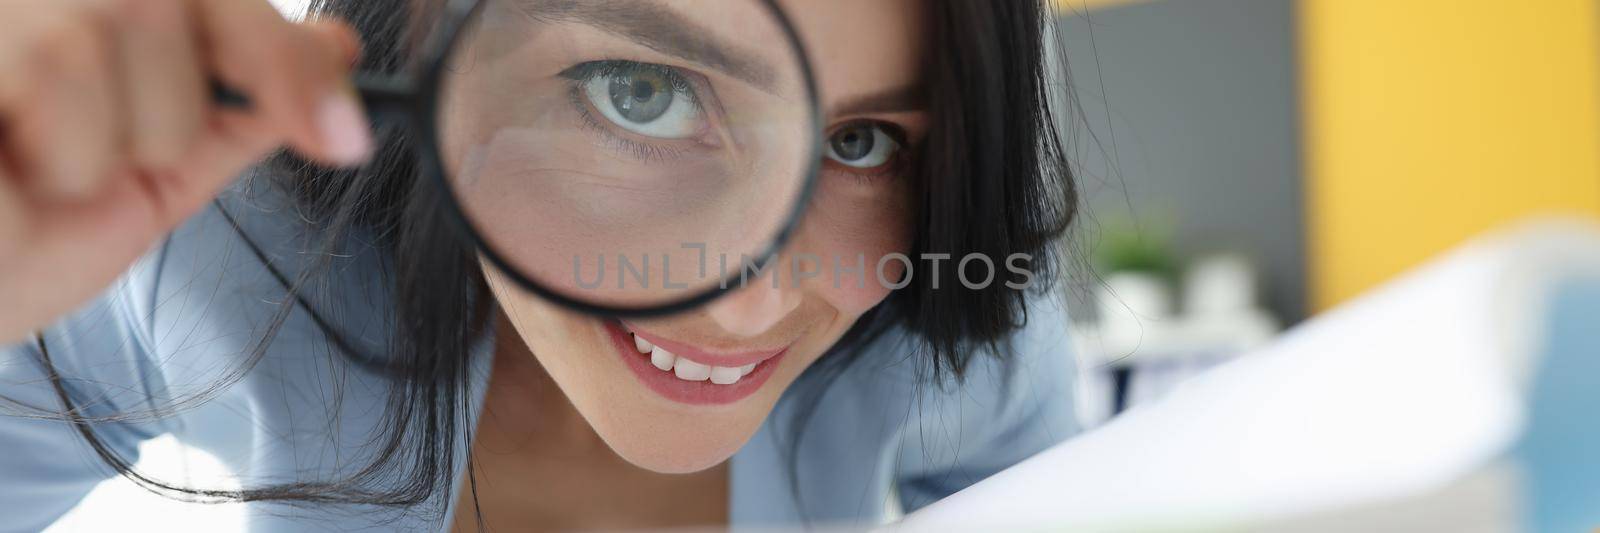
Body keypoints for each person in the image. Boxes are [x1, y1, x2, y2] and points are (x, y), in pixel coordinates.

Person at [0, 0, 1080, 530]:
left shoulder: (958, 317)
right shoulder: (218, 246)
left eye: (862, 142)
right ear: (429, 43)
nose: (754, 295)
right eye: (640, 95)